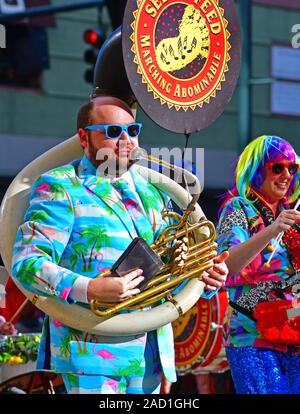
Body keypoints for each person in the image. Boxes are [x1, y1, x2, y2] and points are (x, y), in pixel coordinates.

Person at [12, 95, 228, 394]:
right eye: (112, 132)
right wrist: (89, 288)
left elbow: (167, 274)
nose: (126, 139)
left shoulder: (154, 193)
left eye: (132, 130)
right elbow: (26, 263)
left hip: (151, 355)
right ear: (83, 138)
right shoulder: (61, 185)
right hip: (89, 357)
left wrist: (205, 278)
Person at [217, 135, 300, 394]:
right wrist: (273, 229)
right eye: (277, 167)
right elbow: (227, 266)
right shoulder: (238, 208)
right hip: (253, 338)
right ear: (255, 171)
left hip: (294, 332)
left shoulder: (293, 215)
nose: (286, 175)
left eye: (292, 168)